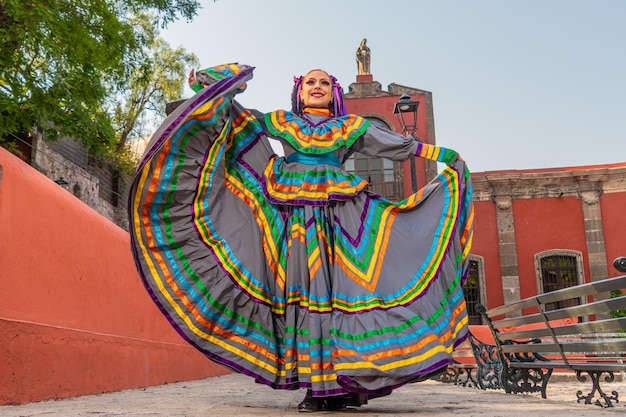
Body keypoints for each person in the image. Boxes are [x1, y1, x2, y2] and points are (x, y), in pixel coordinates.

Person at [129, 63, 473, 412]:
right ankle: (320, 385)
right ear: (300, 90)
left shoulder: (351, 127)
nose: (317, 86)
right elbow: (238, 121)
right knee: (307, 292)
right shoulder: (281, 121)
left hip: (342, 216)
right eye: (311, 82)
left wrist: (445, 157)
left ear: (334, 92)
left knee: (343, 295)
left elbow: (396, 146)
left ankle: (345, 383)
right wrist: (210, 90)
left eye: (324, 82)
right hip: (294, 216)